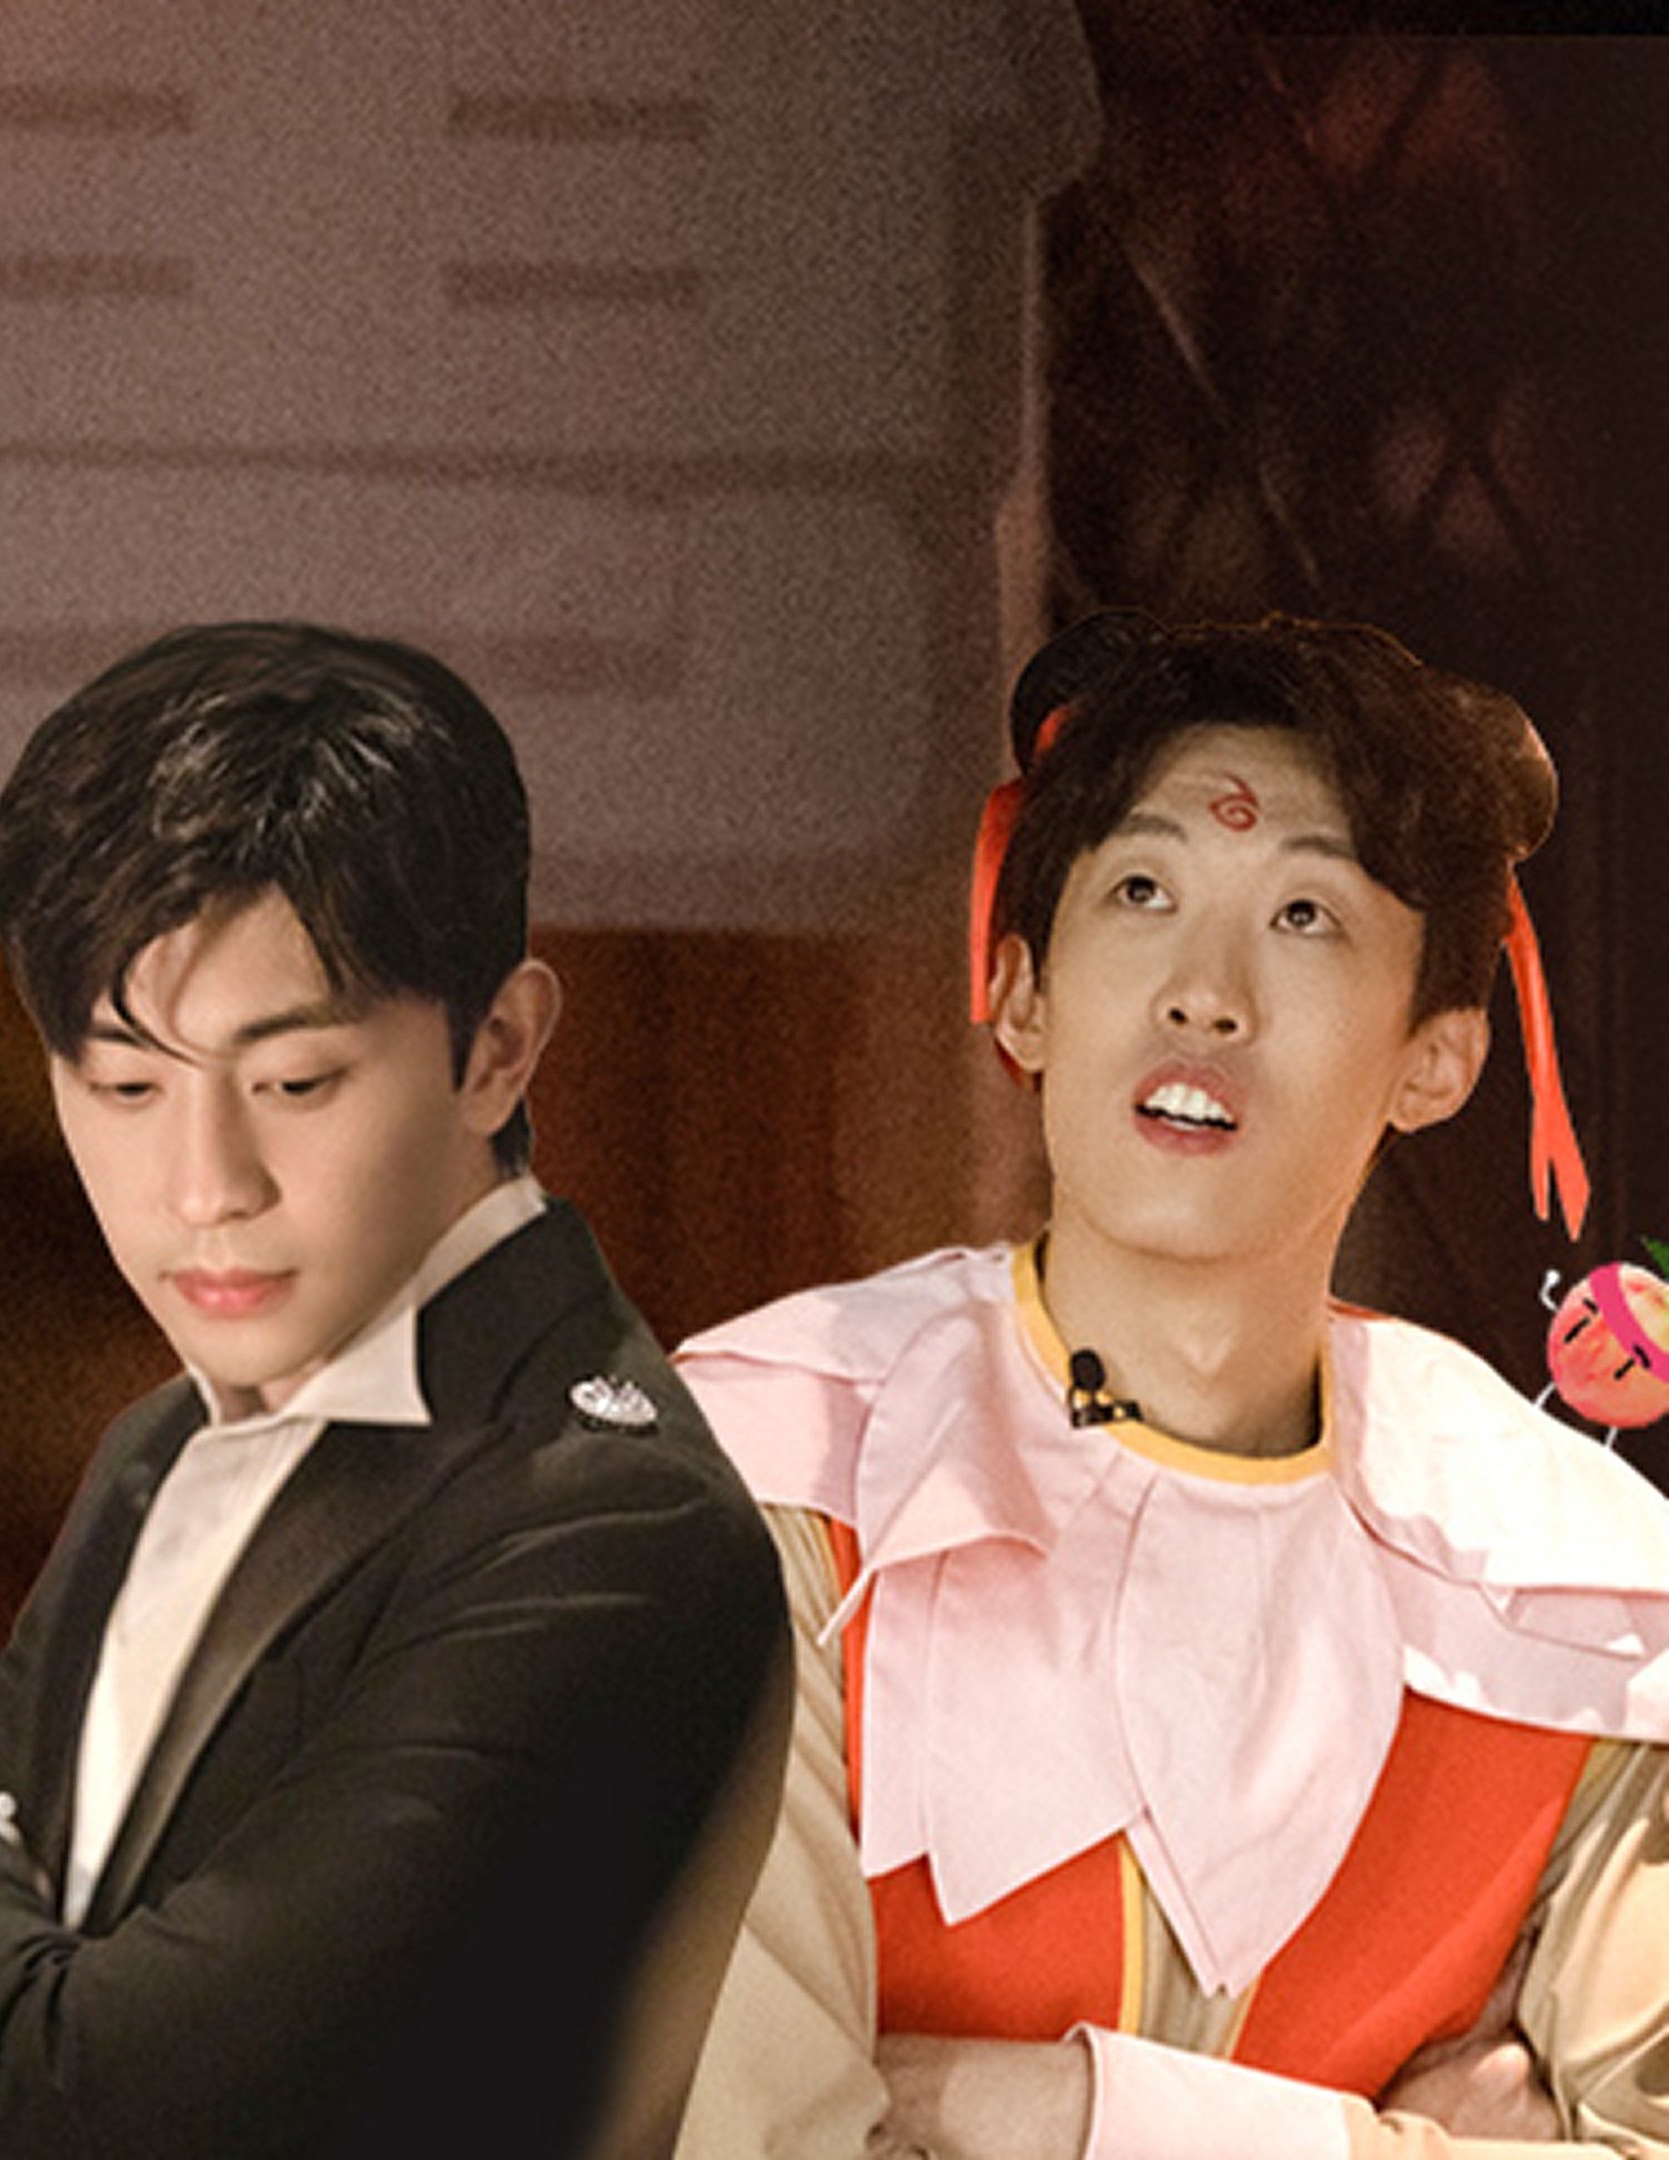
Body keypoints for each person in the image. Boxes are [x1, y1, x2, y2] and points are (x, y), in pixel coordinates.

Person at [673, 611, 1669, 2158]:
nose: (1206, 993)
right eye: (1142, 891)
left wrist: (1042, 2107)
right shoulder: (768, 1487)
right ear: (1020, 992)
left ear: (1439, 1057)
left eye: (1305, 915)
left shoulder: (1579, 1598)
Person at [0, 621, 789, 2160]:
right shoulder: (164, 1441)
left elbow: (91, 2098)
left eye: (293, 1083)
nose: (203, 1186)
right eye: (125, 1084)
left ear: (497, 1049)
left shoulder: (616, 1527)